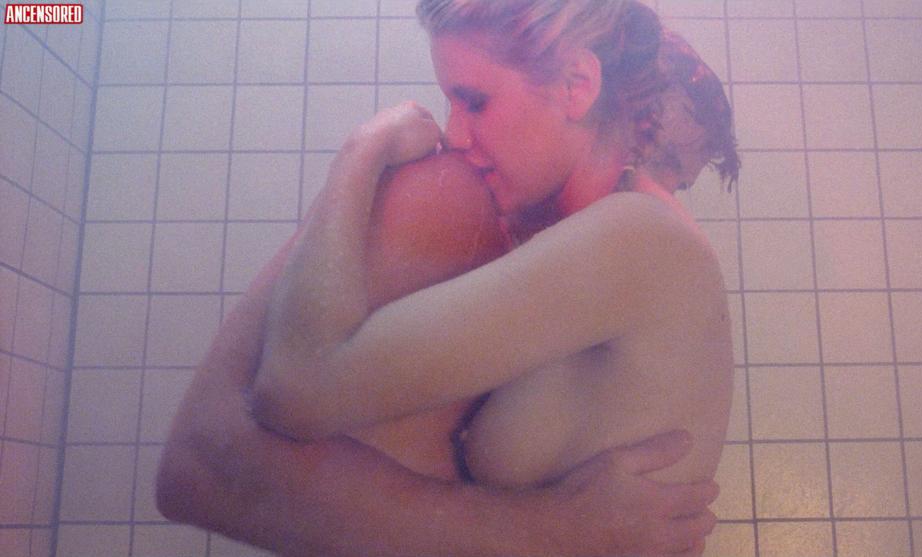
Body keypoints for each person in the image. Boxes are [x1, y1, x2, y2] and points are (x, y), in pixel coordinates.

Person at [250, 0, 736, 543]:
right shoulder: (602, 241)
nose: (454, 133)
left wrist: (360, 153)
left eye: (475, 102)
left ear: (576, 85)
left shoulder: (638, 238)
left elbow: (295, 390)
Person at [157, 150, 720, 556]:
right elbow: (200, 466)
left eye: (676, 179)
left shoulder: (610, 273)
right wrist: (554, 531)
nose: (659, 193)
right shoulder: (444, 194)